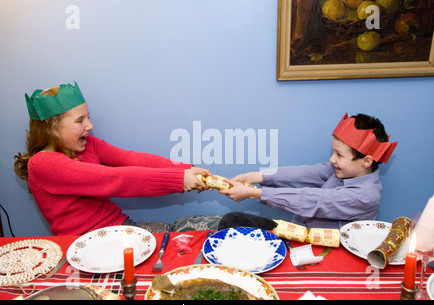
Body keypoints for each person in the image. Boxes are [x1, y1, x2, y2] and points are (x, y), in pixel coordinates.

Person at [14, 81, 210, 235]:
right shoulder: (43, 164)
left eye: (88, 117)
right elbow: (113, 178)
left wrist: (185, 169)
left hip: (118, 228)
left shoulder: (89, 144)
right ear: (52, 128)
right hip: (84, 244)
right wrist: (178, 180)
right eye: (80, 120)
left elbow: (132, 159)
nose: (89, 125)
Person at [219, 113, 398, 229]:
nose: (332, 159)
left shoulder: (365, 197)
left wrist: (254, 193)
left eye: (339, 155)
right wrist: (255, 176)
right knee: (231, 221)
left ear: (366, 161)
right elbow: (303, 174)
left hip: (327, 250)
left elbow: (312, 199)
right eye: (333, 151)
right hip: (299, 232)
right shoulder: (340, 170)